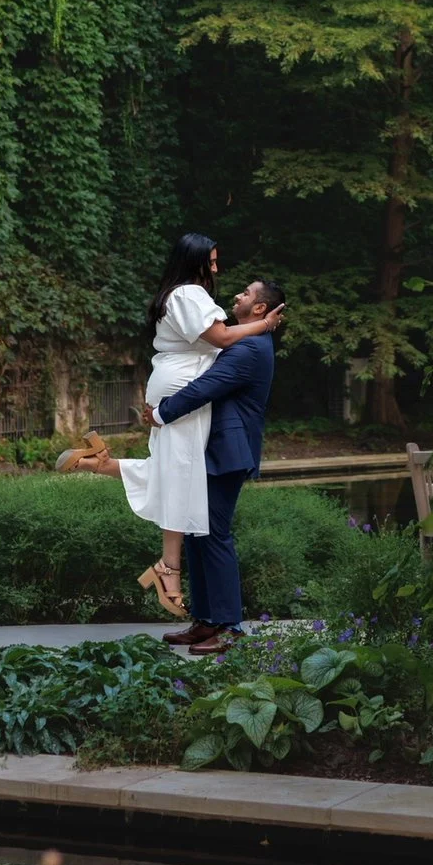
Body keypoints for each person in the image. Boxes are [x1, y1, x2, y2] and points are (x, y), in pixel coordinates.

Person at [54, 234, 284, 616]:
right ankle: (172, 574)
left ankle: (100, 464)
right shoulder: (192, 297)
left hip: (183, 402)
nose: (217, 270)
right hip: (183, 402)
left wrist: (162, 410)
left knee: (177, 480)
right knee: (181, 484)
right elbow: (221, 339)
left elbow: (217, 350)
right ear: (195, 262)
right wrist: (263, 325)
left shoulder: (185, 301)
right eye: (211, 261)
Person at [148, 274, 284, 655]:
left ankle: (229, 627)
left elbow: (205, 387)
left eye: (246, 293)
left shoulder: (250, 348)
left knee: (215, 534)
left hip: (228, 452)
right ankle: (206, 621)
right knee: (197, 532)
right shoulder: (247, 340)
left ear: (259, 307)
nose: (237, 296)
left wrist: (161, 413)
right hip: (213, 450)